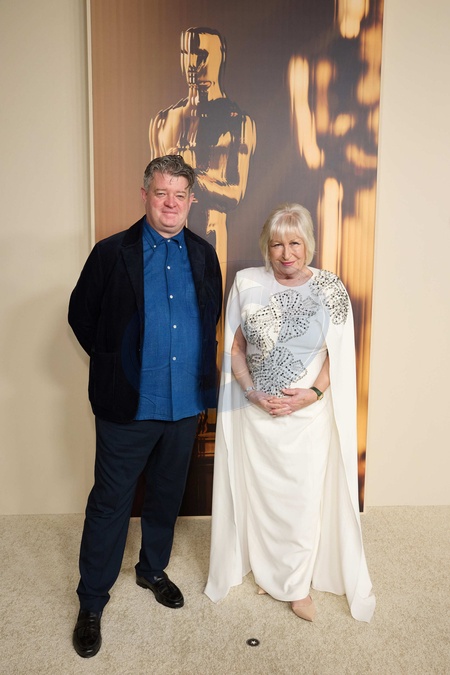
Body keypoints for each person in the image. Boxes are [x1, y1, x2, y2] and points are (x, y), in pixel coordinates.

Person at [68, 155, 222, 658]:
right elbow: (81, 316)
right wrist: (115, 363)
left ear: (191, 200)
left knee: (165, 496)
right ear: (145, 195)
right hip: (127, 406)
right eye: (161, 193)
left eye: (180, 195)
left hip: (184, 405)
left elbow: (211, 317)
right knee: (110, 503)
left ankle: (152, 570)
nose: (170, 204)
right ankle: (92, 600)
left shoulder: (204, 255)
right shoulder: (112, 253)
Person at [204, 203, 375, 622]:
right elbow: (236, 347)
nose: (286, 253)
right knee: (263, 499)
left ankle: (297, 586)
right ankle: (269, 573)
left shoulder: (330, 287)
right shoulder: (246, 282)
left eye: (295, 243)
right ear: (267, 246)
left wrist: (311, 395)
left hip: (307, 418)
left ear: (308, 245)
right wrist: (251, 393)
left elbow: (339, 355)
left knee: (300, 500)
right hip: (256, 417)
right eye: (277, 244)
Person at [149, 27, 257, 293]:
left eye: (201, 54)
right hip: (164, 243)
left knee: (209, 312)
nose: (192, 63)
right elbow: (154, 192)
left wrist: (192, 174)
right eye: (187, 53)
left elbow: (235, 194)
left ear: (220, 56)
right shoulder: (165, 120)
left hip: (212, 237)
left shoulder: (237, 122)